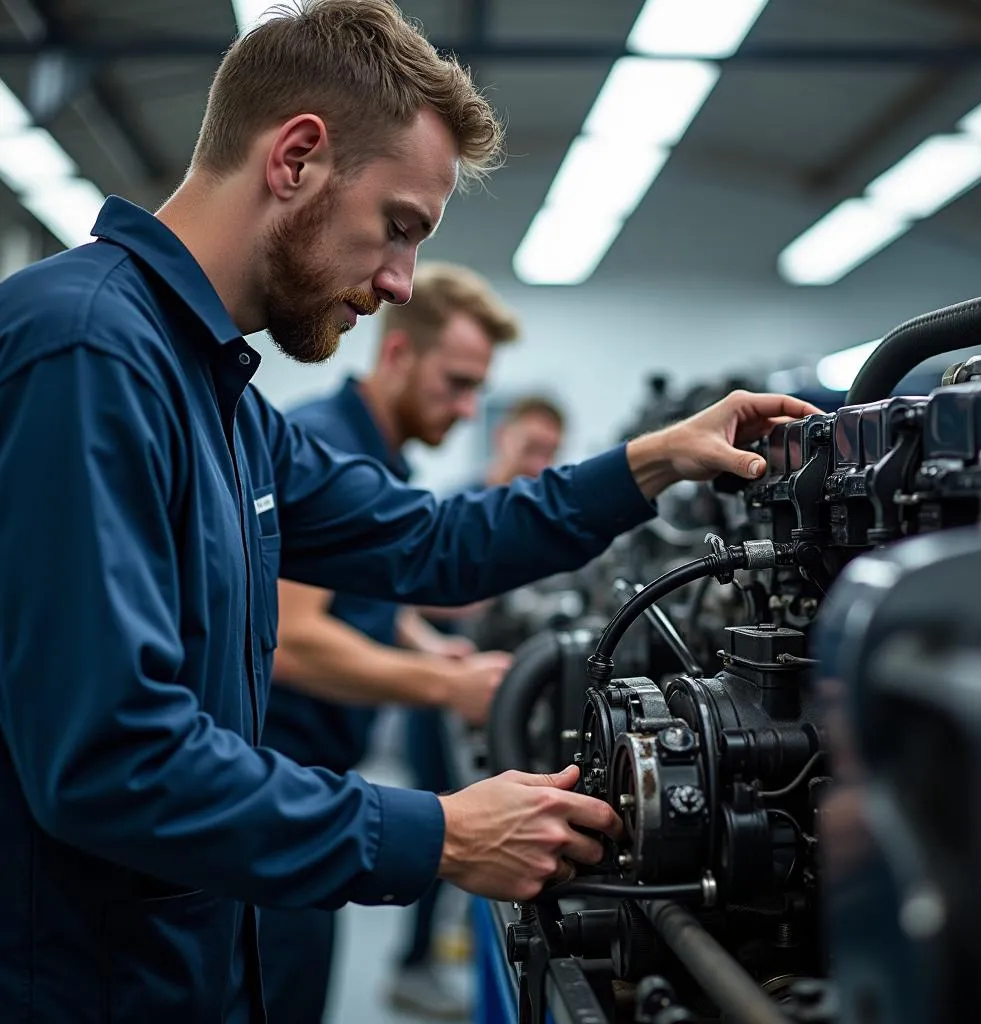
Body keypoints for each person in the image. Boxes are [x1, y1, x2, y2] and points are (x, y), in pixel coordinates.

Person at [0, 2, 819, 1021]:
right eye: (398, 228)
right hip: (79, 983)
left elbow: (435, 543)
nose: (398, 282)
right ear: (295, 157)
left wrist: (652, 462)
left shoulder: (222, 398)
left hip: (191, 962)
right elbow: (111, 757)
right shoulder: (87, 352)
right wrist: (436, 832)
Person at [259, 260, 525, 1022]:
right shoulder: (328, 447)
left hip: (317, 780)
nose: (469, 409)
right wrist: (447, 686)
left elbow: (354, 595)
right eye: (457, 382)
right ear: (398, 354)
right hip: (277, 786)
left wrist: (418, 641)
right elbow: (295, 639)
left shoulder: (377, 455)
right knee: (281, 989)